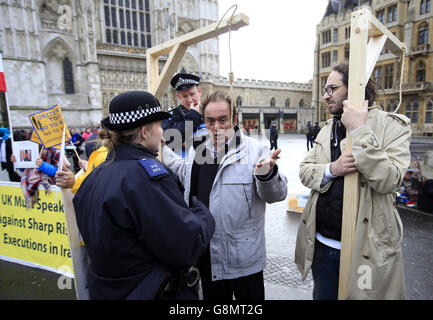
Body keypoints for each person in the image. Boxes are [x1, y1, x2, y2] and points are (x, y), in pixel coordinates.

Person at [72, 91, 215, 300]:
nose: (162, 134)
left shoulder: (94, 177)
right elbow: (184, 245)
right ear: (145, 132)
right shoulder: (146, 177)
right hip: (150, 291)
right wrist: (202, 213)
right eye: (158, 126)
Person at [295, 63, 411, 300]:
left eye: (332, 89)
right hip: (324, 248)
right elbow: (305, 171)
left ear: (355, 88)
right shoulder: (327, 129)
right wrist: (331, 169)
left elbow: (390, 180)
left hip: (367, 252)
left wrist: (359, 130)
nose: (325, 96)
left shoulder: (392, 126)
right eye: (325, 89)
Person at [162, 91, 288, 300]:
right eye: (210, 121)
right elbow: (187, 174)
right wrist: (164, 152)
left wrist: (268, 175)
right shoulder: (199, 148)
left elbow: (277, 195)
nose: (217, 127)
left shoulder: (256, 150)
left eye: (223, 120)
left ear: (234, 119)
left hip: (244, 261)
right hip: (207, 257)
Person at [162, 73, 206, 156]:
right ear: (179, 97)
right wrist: (193, 116)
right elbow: (166, 139)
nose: (189, 100)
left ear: (199, 91)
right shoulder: (169, 116)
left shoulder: (211, 114)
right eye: (185, 96)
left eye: (192, 94)